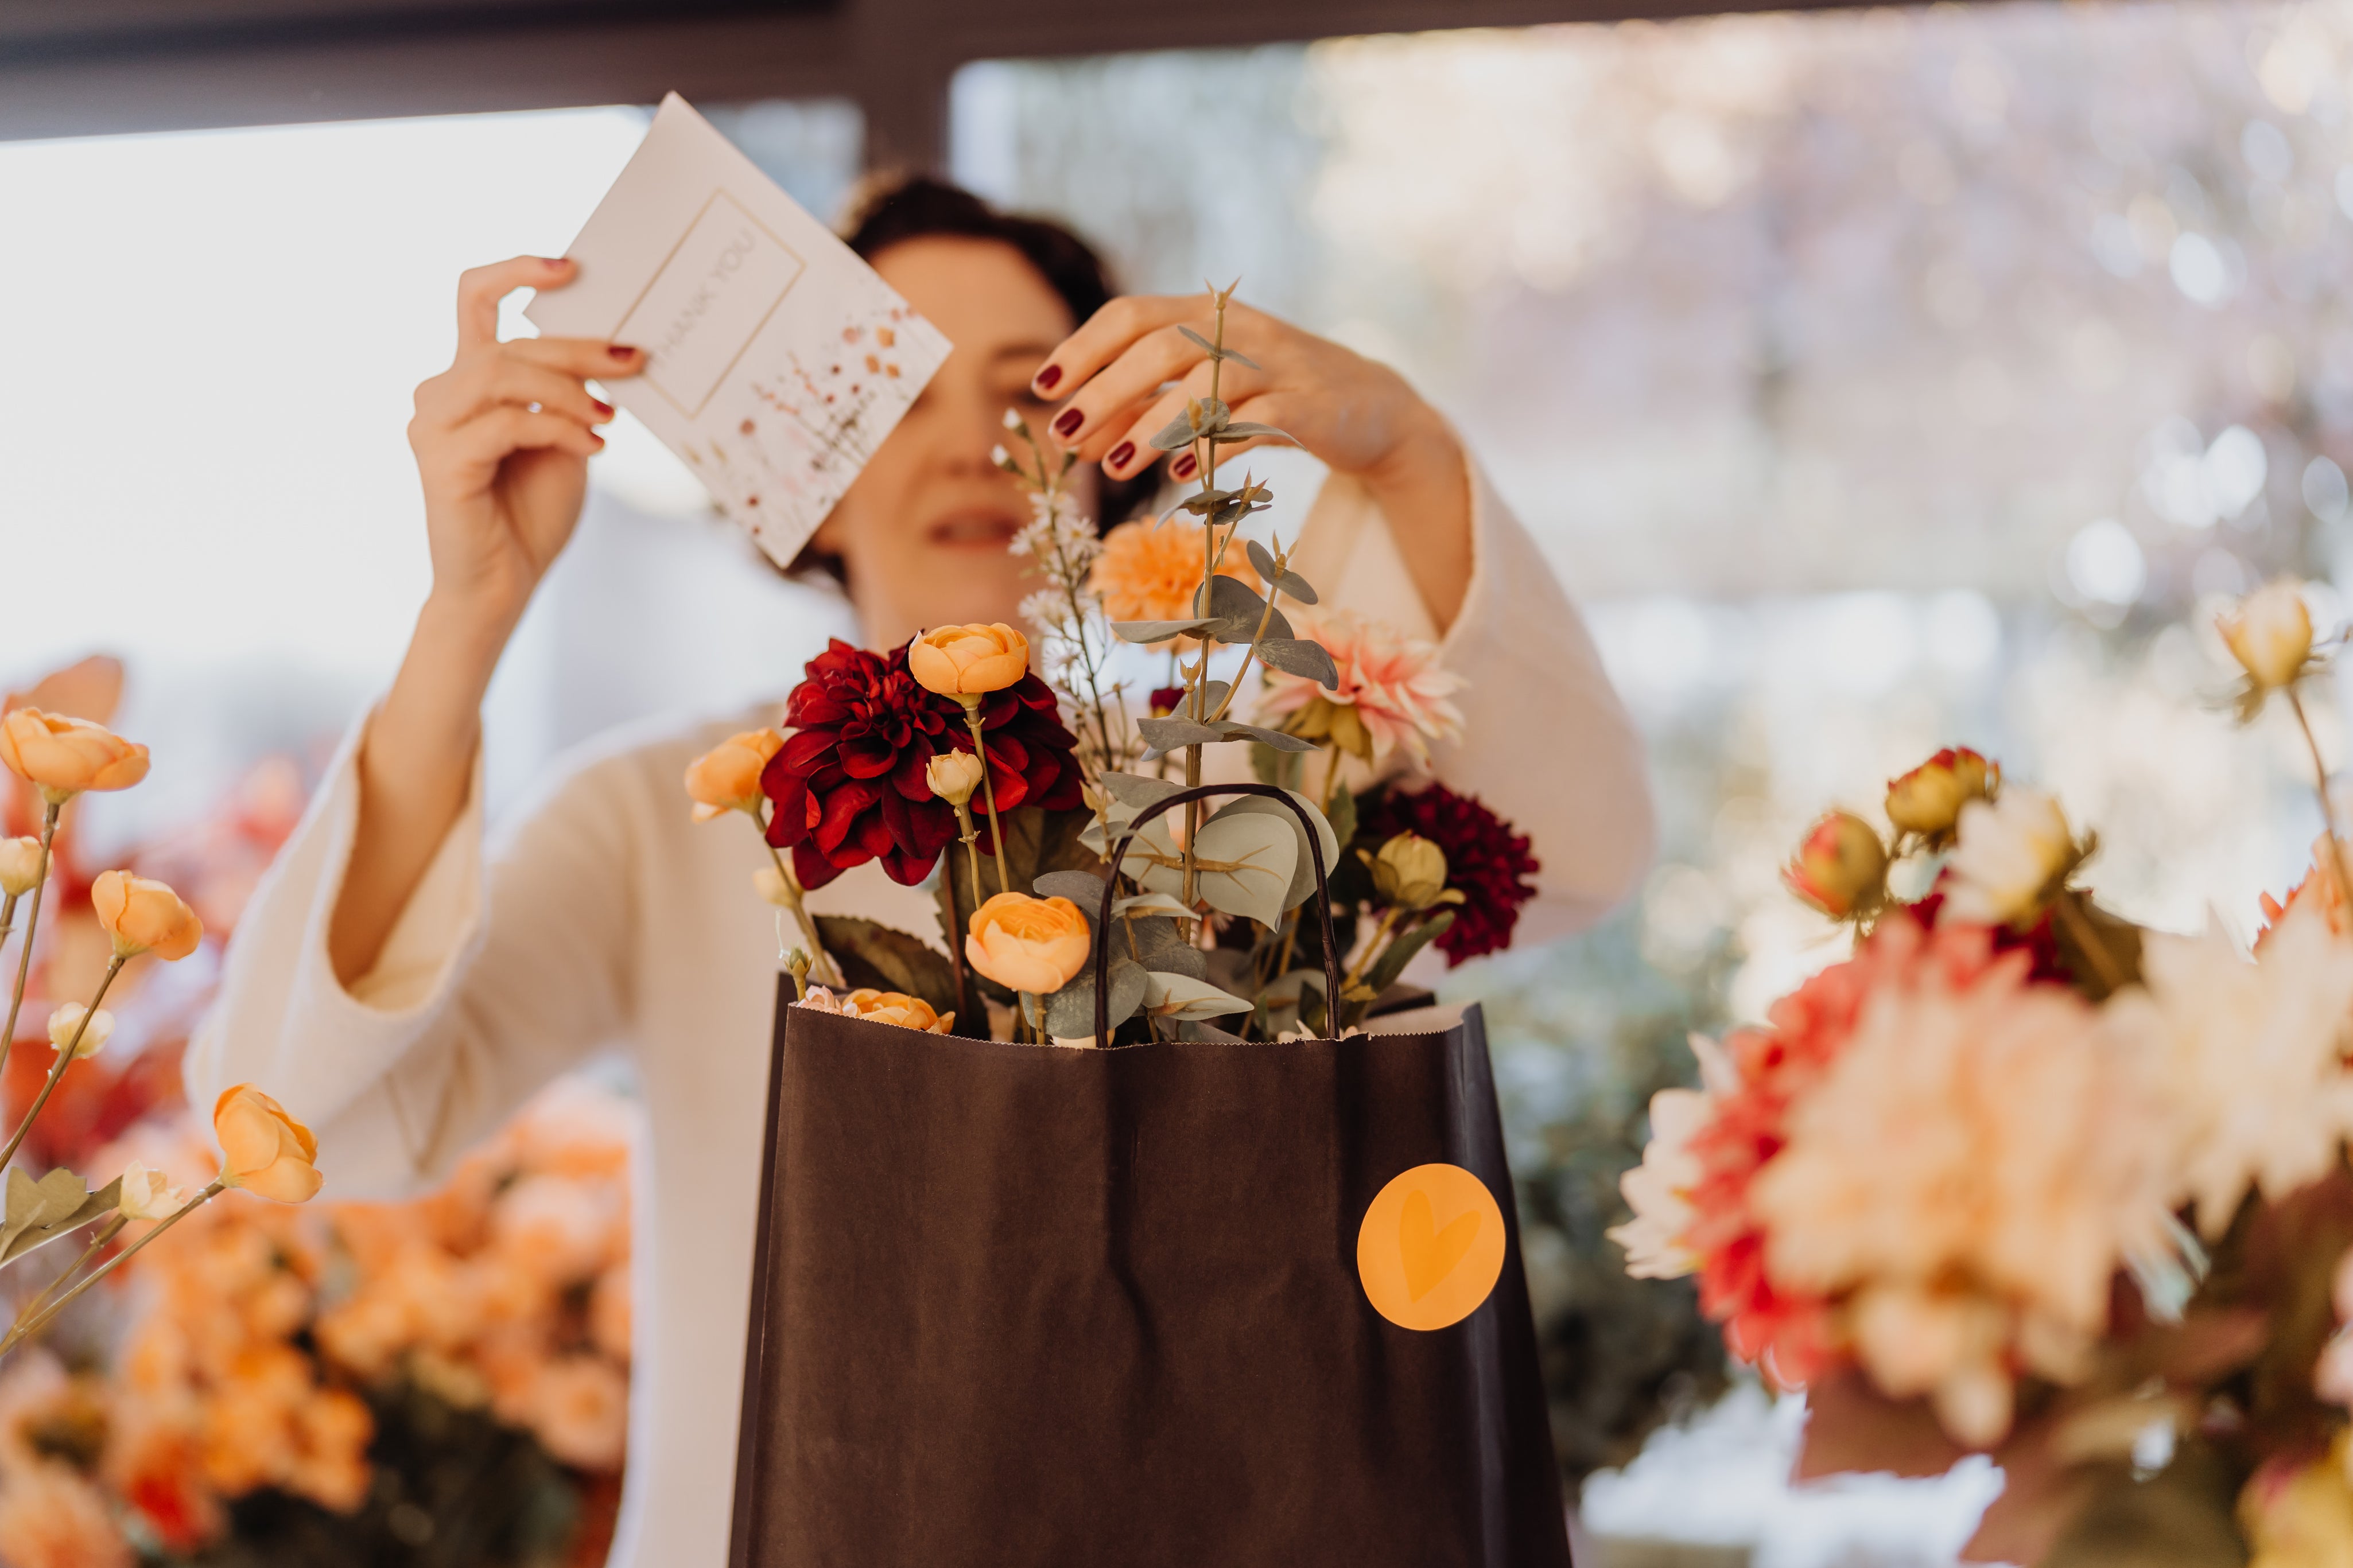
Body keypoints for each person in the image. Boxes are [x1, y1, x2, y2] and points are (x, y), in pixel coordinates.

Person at [188, 175, 1652, 1566]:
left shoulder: (1254, 785)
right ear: (796, 482)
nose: (968, 441)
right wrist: (471, 612)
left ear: (1122, 445)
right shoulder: (675, 809)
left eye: (1032, 390)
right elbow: (306, 1114)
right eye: (889, 394)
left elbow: (1574, 857)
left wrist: (1400, 449)